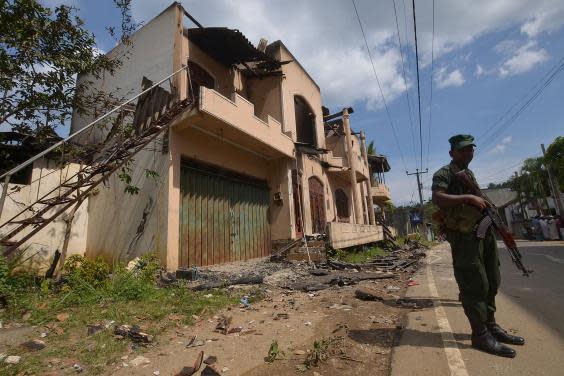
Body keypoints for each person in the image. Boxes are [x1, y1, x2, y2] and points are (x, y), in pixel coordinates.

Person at [432, 134, 525, 358]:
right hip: (464, 237)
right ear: (452, 152)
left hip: (483, 234)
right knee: (474, 283)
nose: (468, 153)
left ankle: (491, 325)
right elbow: (438, 198)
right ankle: (480, 334)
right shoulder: (445, 173)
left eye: (470, 149)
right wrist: (468, 199)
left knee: (492, 279)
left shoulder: (469, 174)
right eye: (463, 150)